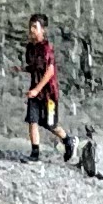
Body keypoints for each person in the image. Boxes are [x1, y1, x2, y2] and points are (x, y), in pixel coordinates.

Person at [20, 12, 72, 162]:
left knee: (50, 123)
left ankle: (67, 140)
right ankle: (35, 153)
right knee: (32, 119)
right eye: (31, 26)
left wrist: (37, 89)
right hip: (35, 91)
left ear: (43, 29)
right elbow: (35, 67)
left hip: (49, 93)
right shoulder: (30, 48)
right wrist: (24, 69)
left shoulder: (46, 48)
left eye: (35, 27)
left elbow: (50, 71)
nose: (32, 30)